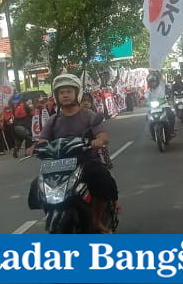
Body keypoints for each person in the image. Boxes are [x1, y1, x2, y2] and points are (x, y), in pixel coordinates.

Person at [28, 74, 119, 233]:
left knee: (104, 180)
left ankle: (97, 220)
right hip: (59, 165)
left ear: (77, 93)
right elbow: (43, 139)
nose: (65, 95)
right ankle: (51, 212)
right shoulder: (53, 120)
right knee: (37, 184)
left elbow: (102, 135)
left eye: (68, 91)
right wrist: (36, 147)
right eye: (61, 92)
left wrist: (99, 140)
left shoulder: (88, 115)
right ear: (57, 96)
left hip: (86, 162)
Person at [145, 71, 175, 138]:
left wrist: (157, 71)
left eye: (153, 81)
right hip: (153, 108)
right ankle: (152, 132)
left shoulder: (161, 86)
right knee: (147, 117)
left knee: (171, 114)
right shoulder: (148, 91)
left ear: (157, 81)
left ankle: (172, 130)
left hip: (163, 105)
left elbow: (162, 78)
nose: (152, 83)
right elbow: (145, 97)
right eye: (150, 82)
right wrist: (143, 100)